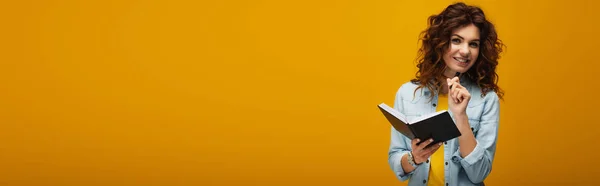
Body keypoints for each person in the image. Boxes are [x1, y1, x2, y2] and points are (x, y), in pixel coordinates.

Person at [387, 2, 505, 186]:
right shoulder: (406, 94)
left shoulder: (486, 99)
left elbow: (479, 173)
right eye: (456, 40)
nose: (465, 51)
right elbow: (396, 159)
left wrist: (461, 117)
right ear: (440, 43)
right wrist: (414, 158)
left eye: (473, 44)